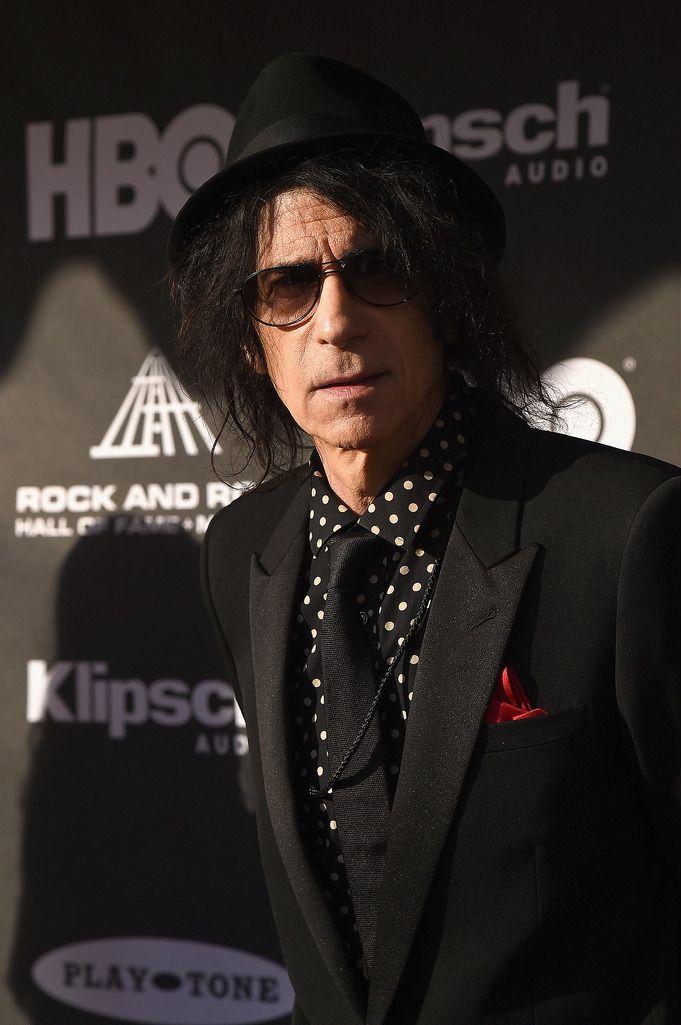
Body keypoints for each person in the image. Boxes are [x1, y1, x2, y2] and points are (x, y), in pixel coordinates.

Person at [169, 54, 680, 1025]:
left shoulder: (625, 534)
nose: (336, 321)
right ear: (250, 335)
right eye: (287, 286)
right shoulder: (240, 550)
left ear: (446, 293)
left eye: (376, 268)